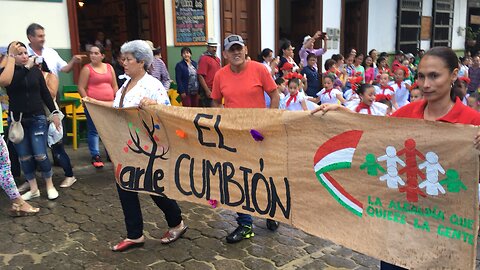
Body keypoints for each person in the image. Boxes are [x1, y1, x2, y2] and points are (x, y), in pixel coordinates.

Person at [312, 48, 480, 269]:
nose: (426, 84)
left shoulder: (472, 123)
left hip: (442, 229)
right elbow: (374, 131)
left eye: (434, 76)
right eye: (421, 76)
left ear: (454, 74)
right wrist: (342, 114)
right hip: (400, 227)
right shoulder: (406, 114)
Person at [85, 40, 187, 252]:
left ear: (141, 62)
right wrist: (93, 103)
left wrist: (153, 107)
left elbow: (164, 114)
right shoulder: (125, 84)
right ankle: (135, 235)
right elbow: (118, 109)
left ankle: (177, 223)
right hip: (124, 147)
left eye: (128, 59)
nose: (124, 62)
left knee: (154, 190)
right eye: (123, 59)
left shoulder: (152, 85)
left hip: (147, 148)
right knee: (125, 189)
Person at [211, 34, 280, 244]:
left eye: (239, 48)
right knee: (238, 178)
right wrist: (224, 120)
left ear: (246, 49)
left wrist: (269, 120)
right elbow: (215, 102)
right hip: (235, 137)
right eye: (231, 50)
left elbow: (275, 95)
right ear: (225, 54)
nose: (236, 52)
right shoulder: (220, 75)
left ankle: (272, 212)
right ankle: (245, 224)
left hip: (259, 134)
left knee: (264, 175)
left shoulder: (260, 69)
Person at [0, 41, 62, 201]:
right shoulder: (8, 72)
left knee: (41, 154)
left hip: (37, 118)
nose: (24, 56)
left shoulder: (35, 71)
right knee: (24, 156)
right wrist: (21, 65)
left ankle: (49, 185)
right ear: (11, 56)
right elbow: (11, 84)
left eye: (25, 53)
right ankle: (33, 188)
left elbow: (45, 94)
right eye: (19, 53)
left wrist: (54, 112)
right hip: (17, 121)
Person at [78, 45, 118, 168]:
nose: (93, 55)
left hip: (109, 104)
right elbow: (81, 87)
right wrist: (87, 100)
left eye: (96, 53)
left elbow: (114, 85)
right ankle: (95, 155)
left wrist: (117, 98)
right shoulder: (87, 69)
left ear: (102, 55)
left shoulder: (109, 67)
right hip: (93, 105)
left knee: (109, 129)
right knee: (94, 130)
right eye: (91, 53)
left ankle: (110, 152)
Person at [40, 61, 77, 188]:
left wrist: (39, 79)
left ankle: (70, 175)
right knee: (37, 151)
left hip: (52, 116)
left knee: (58, 150)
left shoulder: (50, 76)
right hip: (36, 117)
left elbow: (52, 94)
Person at [198, 38, 222, 107]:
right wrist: (207, 90)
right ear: (208, 47)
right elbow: (200, 76)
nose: (214, 49)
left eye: (215, 47)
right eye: (212, 47)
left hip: (217, 89)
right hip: (209, 90)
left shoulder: (217, 59)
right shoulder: (204, 59)